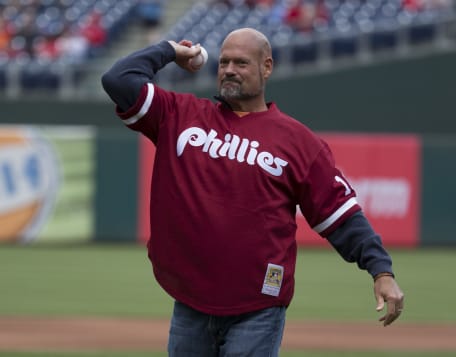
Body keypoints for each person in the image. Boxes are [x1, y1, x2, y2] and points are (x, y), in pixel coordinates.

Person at [101, 27, 404, 356]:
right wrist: (171, 51)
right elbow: (118, 80)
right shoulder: (180, 116)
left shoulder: (298, 142)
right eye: (224, 62)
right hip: (191, 302)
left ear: (267, 67)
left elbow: (341, 216)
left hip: (257, 307)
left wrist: (381, 270)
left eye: (242, 63)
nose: (229, 69)